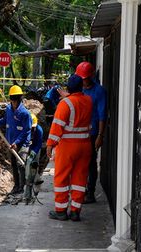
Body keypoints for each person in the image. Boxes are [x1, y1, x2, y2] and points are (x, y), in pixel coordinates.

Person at [46, 74, 93, 221]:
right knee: (80, 178)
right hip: (85, 145)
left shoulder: (65, 104)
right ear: (82, 87)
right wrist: (70, 96)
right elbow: (78, 101)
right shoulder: (88, 100)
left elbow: (57, 127)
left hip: (67, 147)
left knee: (61, 177)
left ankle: (60, 211)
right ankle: (75, 211)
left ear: (68, 88)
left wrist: (49, 145)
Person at [75, 62, 107, 204]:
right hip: (78, 133)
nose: (83, 81)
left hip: (92, 133)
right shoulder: (79, 89)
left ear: (91, 76)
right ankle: (82, 189)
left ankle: (91, 193)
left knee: (91, 163)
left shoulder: (99, 91)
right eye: (81, 79)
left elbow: (102, 115)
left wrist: (100, 135)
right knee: (80, 164)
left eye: (85, 78)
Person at [0, 85, 32, 195]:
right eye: (13, 99)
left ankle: (23, 187)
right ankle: (16, 186)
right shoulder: (8, 109)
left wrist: (17, 142)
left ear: (20, 99)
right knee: (14, 165)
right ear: (11, 99)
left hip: (22, 143)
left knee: (21, 164)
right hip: (10, 142)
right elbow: (5, 120)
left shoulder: (25, 113)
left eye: (16, 100)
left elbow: (26, 130)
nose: (14, 102)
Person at [24, 113, 44, 203]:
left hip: (35, 148)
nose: (32, 129)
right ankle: (31, 182)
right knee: (27, 167)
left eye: (33, 127)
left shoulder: (39, 130)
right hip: (27, 147)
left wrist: (32, 154)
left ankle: (36, 179)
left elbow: (39, 144)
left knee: (33, 166)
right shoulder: (25, 127)